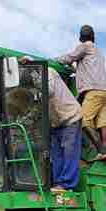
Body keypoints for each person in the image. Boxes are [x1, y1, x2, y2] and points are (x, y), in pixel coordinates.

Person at [19, 58, 82, 192]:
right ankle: (58, 183)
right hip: (56, 123)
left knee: (69, 152)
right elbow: (37, 109)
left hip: (70, 117)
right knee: (56, 154)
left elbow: (50, 90)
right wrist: (23, 122)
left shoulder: (49, 72)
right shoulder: (37, 88)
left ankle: (66, 185)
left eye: (29, 84)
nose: (30, 88)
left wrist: (32, 68)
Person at [56, 25, 106, 159]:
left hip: (92, 92)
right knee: (101, 124)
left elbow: (69, 57)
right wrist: (75, 70)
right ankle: (105, 151)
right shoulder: (99, 52)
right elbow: (88, 71)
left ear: (81, 37)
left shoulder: (85, 46)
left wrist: (57, 60)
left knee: (84, 120)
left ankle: (101, 151)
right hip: (103, 91)